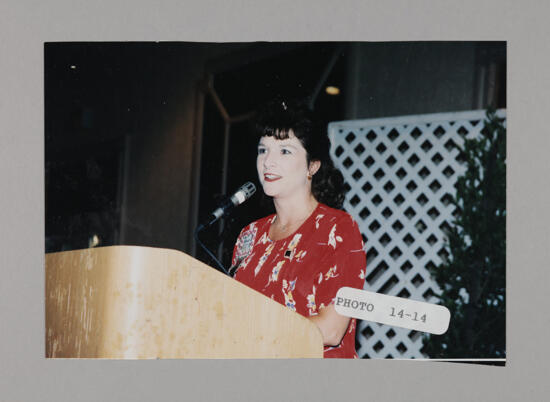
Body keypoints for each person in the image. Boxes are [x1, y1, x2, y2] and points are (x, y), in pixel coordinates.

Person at [231, 99, 366, 358]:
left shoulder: (337, 230)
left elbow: (331, 329)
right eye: (263, 150)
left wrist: (253, 333)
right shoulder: (250, 235)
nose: (268, 162)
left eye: (285, 151)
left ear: (312, 166)